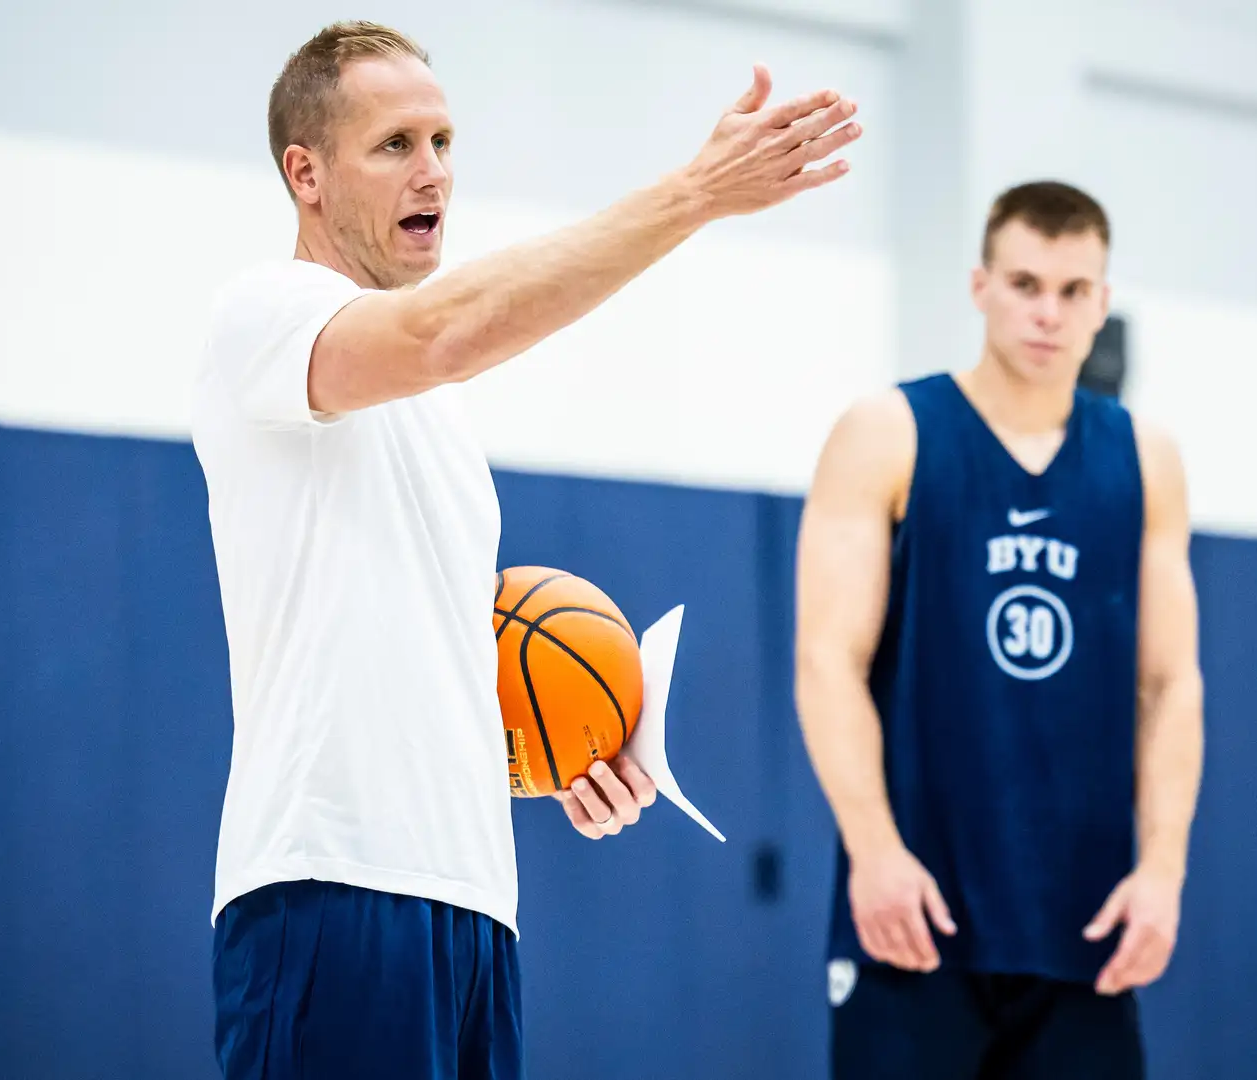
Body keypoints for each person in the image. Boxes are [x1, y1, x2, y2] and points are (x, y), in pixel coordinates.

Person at [190, 20, 862, 1080]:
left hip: (474, 910)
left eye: (445, 141)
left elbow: (417, 662)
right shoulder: (265, 315)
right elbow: (445, 330)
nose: (434, 172)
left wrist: (552, 750)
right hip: (326, 889)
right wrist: (693, 193)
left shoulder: (441, 417)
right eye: (397, 144)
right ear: (304, 173)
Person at [793, 181, 1204, 1079]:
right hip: (913, 917)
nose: (1047, 313)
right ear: (981, 287)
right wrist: (874, 851)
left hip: (1085, 928)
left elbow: (1170, 684)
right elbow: (828, 662)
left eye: (1071, 291)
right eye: (1024, 284)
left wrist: (1164, 871)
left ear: (1102, 302)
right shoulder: (889, 432)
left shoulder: (1145, 459)